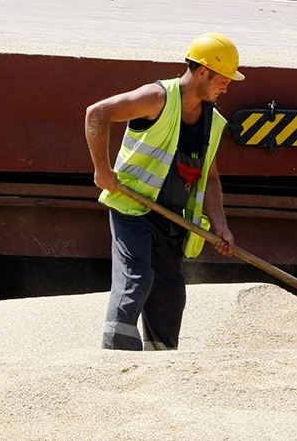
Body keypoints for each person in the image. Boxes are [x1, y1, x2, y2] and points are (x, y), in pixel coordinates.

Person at [84, 32, 243, 351]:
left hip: (172, 218)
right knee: (136, 280)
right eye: (222, 80)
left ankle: (161, 364)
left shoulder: (213, 121)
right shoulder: (156, 98)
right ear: (202, 72)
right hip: (133, 208)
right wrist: (102, 169)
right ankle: (116, 359)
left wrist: (221, 225)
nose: (226, 87)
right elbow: (97, 114)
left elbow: (209, 177)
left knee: (170, 294)